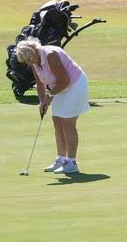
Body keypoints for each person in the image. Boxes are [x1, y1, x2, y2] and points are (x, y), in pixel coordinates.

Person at [13, 37, 90, 174]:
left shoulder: (50, 55)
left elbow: (65, 80)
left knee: (67, 123)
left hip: (75, 85)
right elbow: (41, 83)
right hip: (59, 88)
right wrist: (42, 101)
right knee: (57, 121)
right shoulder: (34, 61)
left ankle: (72, 163)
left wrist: (50, 96)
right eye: (26, 61)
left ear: (35, 51)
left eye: (30, 59)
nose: (29, 62)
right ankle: (61, 159)